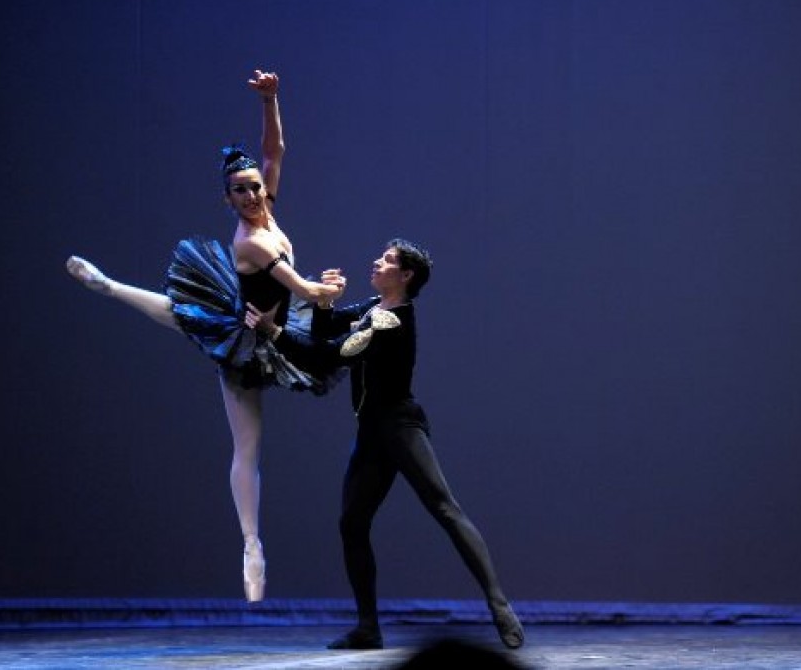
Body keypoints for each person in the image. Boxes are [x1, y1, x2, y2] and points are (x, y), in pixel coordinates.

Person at [65, 69, 345, 603]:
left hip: (277, 326)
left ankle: (110, 285)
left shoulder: (269, 206)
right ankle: (251, 544)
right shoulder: (250, 243)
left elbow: (276, 149)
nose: (250, 196)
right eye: (238, 192)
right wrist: (325, 288)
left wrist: (270, 100)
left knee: (185, 312)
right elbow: (302, 289)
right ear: (228, 200)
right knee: (246, 442)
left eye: (254, 187)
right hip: (248, 338)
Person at [245, 239, 526, 652]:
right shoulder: (371, 310)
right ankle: (368, 628)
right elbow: (328, 332)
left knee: (444, 507)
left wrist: (272, 331)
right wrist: (323, 303)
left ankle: (499, 603)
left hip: (399, 427)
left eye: (388, 260)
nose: (377, 261)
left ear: (406, 276)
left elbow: (325, 357)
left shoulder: (392, 321)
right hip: (373, 433)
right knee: (352, 523)